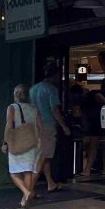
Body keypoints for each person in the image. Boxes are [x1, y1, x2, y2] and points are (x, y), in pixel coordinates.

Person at [30, 61, 71, 191]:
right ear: (55, 75)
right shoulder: (51, 89)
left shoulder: (33, 89)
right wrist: (64, 126)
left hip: (34, 125)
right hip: (47, 125)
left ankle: (50, 183)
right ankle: (29, 188)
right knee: (42, 156)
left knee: (45, 155)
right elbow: (55, 110)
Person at [2, 84, 40, 208]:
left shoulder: (12, 107)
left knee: (13, 172)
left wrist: (5, 142)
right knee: (27, 171)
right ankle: (24, 200)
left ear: (15, 95)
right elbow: (39, 126)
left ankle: (26, 192)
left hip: (17, 142)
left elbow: (9, 125)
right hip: (31, 143)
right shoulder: (34, 109)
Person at [78, 85, 105, 180]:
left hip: (97, 123)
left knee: (95, 147)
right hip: (98, 122)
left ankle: (89, 169)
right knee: (102, 147)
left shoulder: (92, 95)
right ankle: (103, 170)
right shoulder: (91, 97)